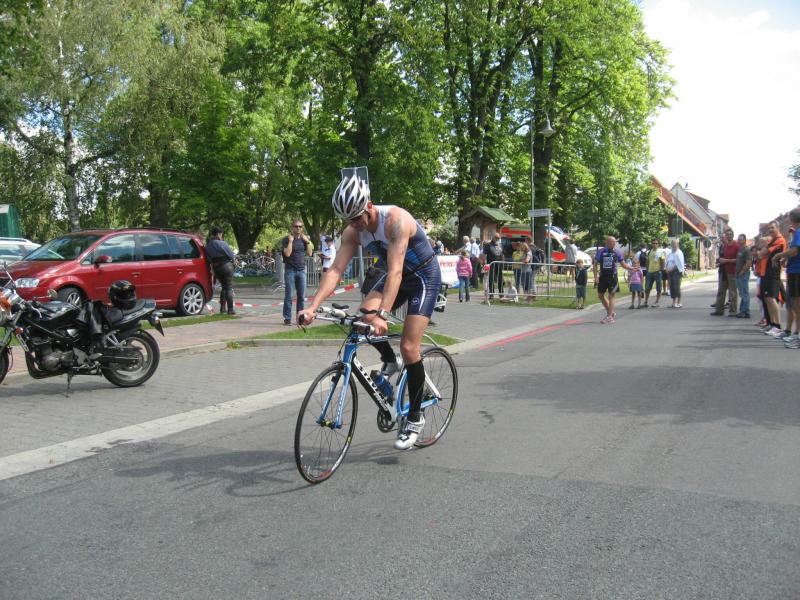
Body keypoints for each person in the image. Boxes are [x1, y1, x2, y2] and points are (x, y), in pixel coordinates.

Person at [297, 172, 442, 450]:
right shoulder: (352, 231)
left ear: (370, 206)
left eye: (357, 218)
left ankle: (415, 417)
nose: (354, 225)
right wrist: (312, 306)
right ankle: (389, 361)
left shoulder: (395, 220)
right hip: (394, 276)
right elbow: (335, 270)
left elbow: (396, 272)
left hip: (423, 277)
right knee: (364, 316)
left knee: (409, 346)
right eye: (348, 220)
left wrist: (383, 315)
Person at [772, 209, 800, 348]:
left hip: (797, 272)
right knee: (794, 305)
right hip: (794, 271)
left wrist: (779, 255)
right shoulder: (796, 233)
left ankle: (798, 337)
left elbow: (795, 251)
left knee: (797, 306)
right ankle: (795, 333)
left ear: (792, 219)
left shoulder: (799, 232)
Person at [593, 235, 631, 324]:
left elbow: (623, 264)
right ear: (606, 242)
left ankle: (610, 317)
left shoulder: (617, 252)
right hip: (602, 276)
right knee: (600, 295)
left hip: (612, 277)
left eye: (615, 242)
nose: (614, 244)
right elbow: (595, 264)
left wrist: (631, 268)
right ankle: (611, 312)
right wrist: (596, 277)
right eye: (612, 242)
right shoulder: (601, 251)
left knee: (611, 296)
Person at [281, 219, 313, 325]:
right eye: (296, 226)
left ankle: (300, 318)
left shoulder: (304, 240)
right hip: (290, 270)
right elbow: (287, 254)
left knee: (301, 296)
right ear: (292, 228)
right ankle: (287, 318)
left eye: (300, 226)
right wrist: (291, 241)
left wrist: (307, 241)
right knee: (289, 296)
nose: (298, 228)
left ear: (302, 228)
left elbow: (309, 253)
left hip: (301, 270)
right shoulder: (286, 239)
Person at [758, 223, 786, 336]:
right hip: (766, 272)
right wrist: (763, 252)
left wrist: (763, 251)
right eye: (769, 228)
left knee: (772, 299)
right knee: (767, 299)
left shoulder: (779, 240)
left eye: (772, 228)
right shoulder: (772, 241)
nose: (770, 230)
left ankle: (777, 326)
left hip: (773, 273)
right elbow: (760, 255)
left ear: (778, 228)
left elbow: (763, 252)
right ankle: (772, 323)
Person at [205, 226, 237, 315]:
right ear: (219, 234)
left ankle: (222, 309)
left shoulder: (207, 246)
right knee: (228, 287)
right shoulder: (222, 243)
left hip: (216, 268)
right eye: (221, 234)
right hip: (226, 266)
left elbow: (209, 259)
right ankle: (230, 309)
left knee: (224, 287)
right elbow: (231, 255)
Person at [711, 229, 739, 316]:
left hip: (732, 271)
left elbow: (738, 260)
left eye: (730, 234)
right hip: (723, 271)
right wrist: (720, 261)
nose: (728, 236)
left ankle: (733, 311)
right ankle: (719, 310)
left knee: (733, 292)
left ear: (733, 235)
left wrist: (726, 260)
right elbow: (720, 256)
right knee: (721, 291)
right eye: (727, 235)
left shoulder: (736, 246)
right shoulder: (724, 246)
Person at [734, 234, 752, 318]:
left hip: (743, 274)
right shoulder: (740, 250)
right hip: (738, 274)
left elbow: (749, 262)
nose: (739, 241)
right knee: (742, 293)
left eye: (741, 239)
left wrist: (742, 271)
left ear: (745, 240)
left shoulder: (746, 250)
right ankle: (742, 310)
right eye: (738, 239)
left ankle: (745, 311)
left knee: (745, 293)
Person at [643, 239, 665, 307]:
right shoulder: (649, 252)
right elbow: (647, 261)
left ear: (658, 244)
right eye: (653, 243)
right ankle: (646, 302)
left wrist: (660, 270)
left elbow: (663, 261)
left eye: (656, 243)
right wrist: (647, 270)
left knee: (658, 288)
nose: (655, 244)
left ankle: (657, 302)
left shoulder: (661, 252)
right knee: (647, 288)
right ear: (651, 244)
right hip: (650, 272)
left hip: (657, 272)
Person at [483, 232, 505, 299]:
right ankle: (491, 294)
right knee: (491, 279)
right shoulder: (488, 245)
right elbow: (484, 255)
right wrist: (484, 264)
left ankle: (501, 294)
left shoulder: (501, 245)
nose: (497, 239)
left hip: (499, 264)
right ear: (493, 237)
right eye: (496, 237)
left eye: (498, 237)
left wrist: (503, 262)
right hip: (491, 264)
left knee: (500, 279)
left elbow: (502, 254)